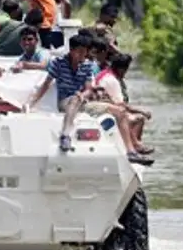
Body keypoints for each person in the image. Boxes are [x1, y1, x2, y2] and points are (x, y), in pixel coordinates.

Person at [25, 35, 152, 165]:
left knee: (120, 111)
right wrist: (31, 103)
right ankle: (65, 135)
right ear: (72, 50)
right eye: (80, 52)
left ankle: (131, 152)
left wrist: (84, 95)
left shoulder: (87, 66)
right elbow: (46, 85)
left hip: (84, 102)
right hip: (65, 102)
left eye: (85, 52)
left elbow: (89, 88)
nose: (83, 55)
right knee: (74, 99)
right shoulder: (58, 63)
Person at [95, 53, 154, 155]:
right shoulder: (112, 80)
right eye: (126, 69)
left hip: (104, 106)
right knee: (139, 118)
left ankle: (135, 144)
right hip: (107, 110)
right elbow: (122, 105)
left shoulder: (104, 73)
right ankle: (135, 146)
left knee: (132, 116)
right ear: (121, 69)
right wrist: (143, 111)